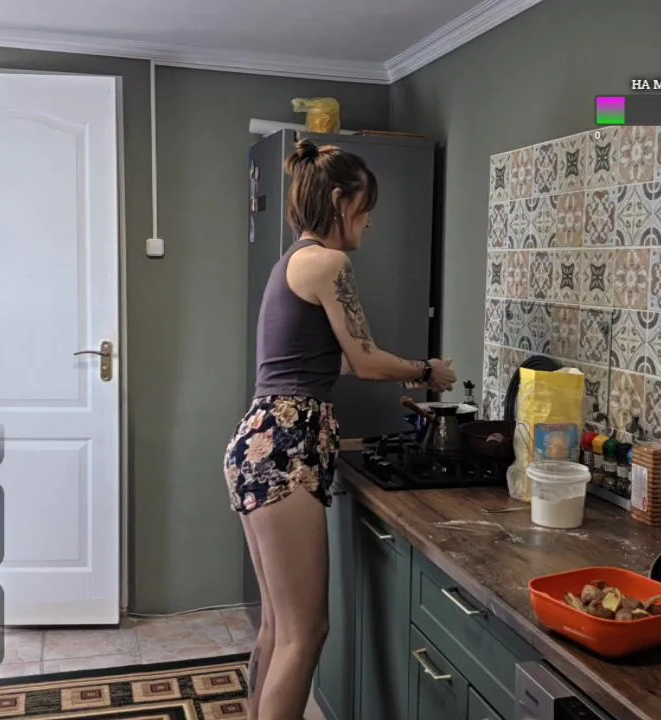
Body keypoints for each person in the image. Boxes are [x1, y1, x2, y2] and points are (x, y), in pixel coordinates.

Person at [224, 139, 456, 720]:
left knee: (279, 628)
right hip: (285, 449)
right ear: (338, 199)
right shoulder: (329, 263)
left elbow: (344, 362)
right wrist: (428, 370)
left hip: (262, 444)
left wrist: (408, 371)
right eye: (364, 205)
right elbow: (368, 360)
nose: (369, 220)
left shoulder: (292, 261)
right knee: (306, 635)